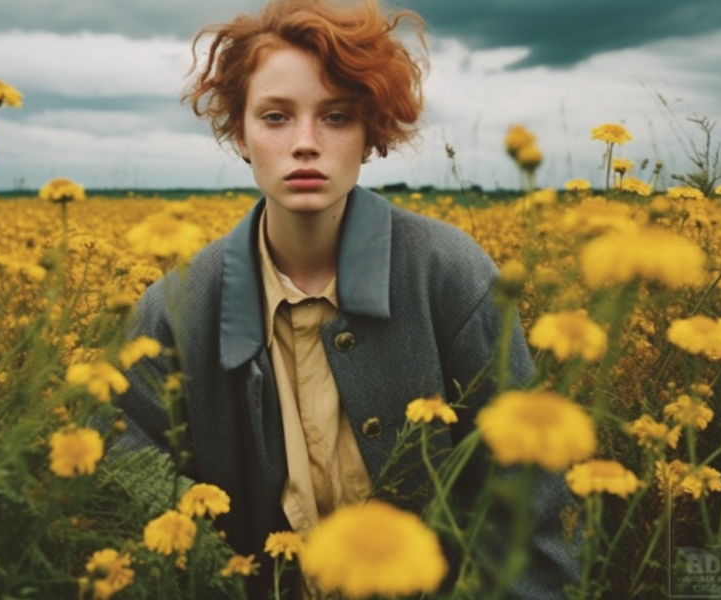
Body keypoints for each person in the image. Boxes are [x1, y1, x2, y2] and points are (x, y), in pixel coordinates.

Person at [117, 0, 578, 597]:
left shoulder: (450, 274)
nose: (305, 143)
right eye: (276, 117)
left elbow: (529, 516)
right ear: (240, 134)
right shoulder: (174, 311)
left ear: (370, 134)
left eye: (335, 117)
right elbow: (131, 499)